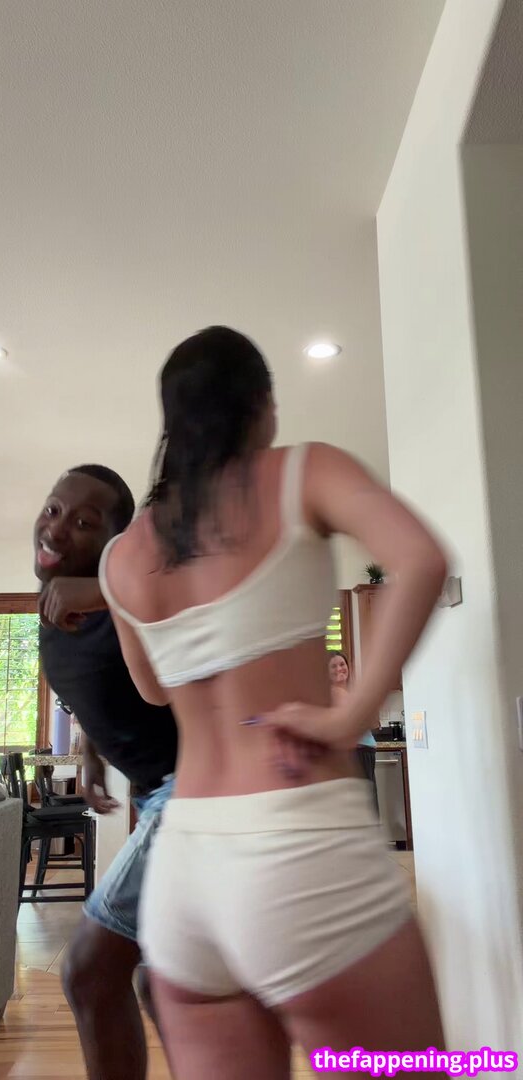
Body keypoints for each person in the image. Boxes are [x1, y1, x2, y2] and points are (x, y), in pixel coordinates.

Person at [100, 326, 447, 1078]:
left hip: (184, 871)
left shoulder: (122, 556)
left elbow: (152, 687)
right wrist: (350, 714)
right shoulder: (302, 471)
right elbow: (421, 558)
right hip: (296, 849)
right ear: (261, 404)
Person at [34, 463, 178, 1080]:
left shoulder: (137, 599)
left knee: (90, 971)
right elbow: (97, 684)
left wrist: (107, 591)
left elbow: (183, 584)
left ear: (116, 543)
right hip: (157, 795)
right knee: (161, 981)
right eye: (53, 509)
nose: (56, 528)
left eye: (84, 522)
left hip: (197, 792)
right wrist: (91, 749)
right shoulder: (55, 611)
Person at [328, 650, 378, 811]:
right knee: (366, 806)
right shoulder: (335, 693)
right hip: (356, 753)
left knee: (366, 804)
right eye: (333, 666)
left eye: (342, 664)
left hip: (363, 752)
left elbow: (371, 721)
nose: (339, 669)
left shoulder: (347, 693)